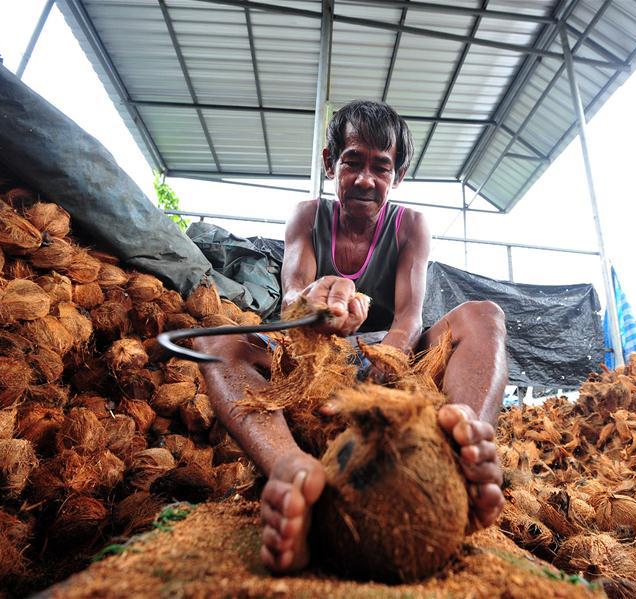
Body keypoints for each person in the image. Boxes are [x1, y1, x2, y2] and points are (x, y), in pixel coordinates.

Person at [195, 100, 507, 575]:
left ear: (397, 176)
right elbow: (291, 298)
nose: (365, 179)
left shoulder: (410, 226)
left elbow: (409, 317)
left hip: (391, 358)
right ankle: (293, 468)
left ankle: (461, 437)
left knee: (484, 316)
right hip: (318, 360)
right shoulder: (306, 216)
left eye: (381, 167)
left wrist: (386, 361)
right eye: (352, 162)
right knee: (219, 342)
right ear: (329, 163)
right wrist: (314, 306)